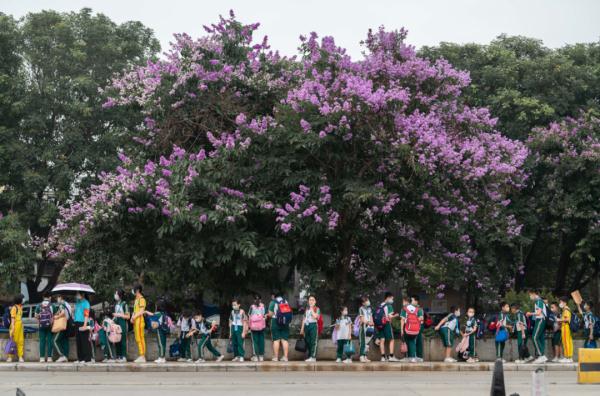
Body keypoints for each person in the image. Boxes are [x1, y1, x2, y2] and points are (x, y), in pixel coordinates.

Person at [526, 289, 547, 363]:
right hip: (539, 320)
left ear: (534, 293)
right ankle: (541, 356)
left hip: (540, 320)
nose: (530, 296)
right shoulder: (538, 301)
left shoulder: (539, 301)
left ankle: (541, 356)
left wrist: (530, 313)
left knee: (534, 337)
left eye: (530, 295)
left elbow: (538, 313)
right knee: (538, 338)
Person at [377, 292, 400, 362]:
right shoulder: (389, 306)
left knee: (382, 340)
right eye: (392, 298)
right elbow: (390, 317)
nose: (392, 300)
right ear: (388, 298)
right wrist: (396, 315)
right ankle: (391, 356)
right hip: (386, 324)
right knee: (392, 339)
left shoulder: (381, 305)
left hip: (379, 325)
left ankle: (383, 357)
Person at [267, 293, 290, 362]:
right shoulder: (286, 301)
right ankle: (285, 357)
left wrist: (267, 315)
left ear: (274, 296)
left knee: (276, 340)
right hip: (285, 322)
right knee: (284, 340)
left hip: (275, 322)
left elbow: (270, 314)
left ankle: (276, 357)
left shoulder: (273, 302)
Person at [35, 293, 56, 362]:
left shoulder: (39, 305)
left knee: (42, 341)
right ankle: (49, 357)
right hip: (50, 326)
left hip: (41, 326)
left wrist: (39, 323)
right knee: (50, 341)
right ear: (50, 297)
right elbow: (54, 316)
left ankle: (42, 358)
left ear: (43, 297)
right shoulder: (52, 305)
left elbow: (36, 316)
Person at [300, 295, 320, 362]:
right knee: (307, 341)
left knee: (313, 341)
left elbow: (315, 317)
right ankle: (310, 355)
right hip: (306, 326)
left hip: (313, 325)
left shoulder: (317, 309)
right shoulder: (307, 309)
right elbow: (304, 319)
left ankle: (313, 356)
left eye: (312, 300)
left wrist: (311, 309)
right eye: (310, 300)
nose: (311, 301)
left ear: (315, 301)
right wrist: (302, 329)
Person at [148, 299, 169, 364]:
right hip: (164, 330)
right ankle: (163, 357)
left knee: (160, 344)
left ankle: (161, 357)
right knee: (163, 344)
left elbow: (152, 315)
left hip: (159, 330)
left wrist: (145, 312)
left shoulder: (157, 313)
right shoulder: (164, 313)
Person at [112, 289, 130, 363]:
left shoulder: (124, 304)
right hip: (117, 322)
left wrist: (119, 315)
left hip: (123, 323)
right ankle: (119, 356)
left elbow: (128, 316)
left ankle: (124, 356)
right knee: (117, 339)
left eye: (116, 293)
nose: (115, 295)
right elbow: (116, 315)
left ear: (119, 295)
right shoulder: (116, 304)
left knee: (123, 339)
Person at [130, 284, 147, 363]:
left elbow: (141, 311)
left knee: (140, 338)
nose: (132, 291)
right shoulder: (136, 299)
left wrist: (134, 317)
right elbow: (135, 311)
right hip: (136, 321)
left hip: (140, 321)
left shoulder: (141, 299)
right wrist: (132, 317)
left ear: (137, 290)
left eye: (133, 289)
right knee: (137, 338)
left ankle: (142, 356)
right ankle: (141, 355)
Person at [74, 292, 92, 363]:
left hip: (83, 322)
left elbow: (86, 315)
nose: (76, 295)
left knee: (84, 341)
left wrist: (85, 324)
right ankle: (80, 358)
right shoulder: (77, 302)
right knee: (78, 341)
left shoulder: (86, 303)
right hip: (77, 322)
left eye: (78, 294)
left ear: (82, 295)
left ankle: (87, 358)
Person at [53, 294, 71, 362]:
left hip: (62, 324)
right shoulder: (67, 304)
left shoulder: (62, 304)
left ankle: (62, 356)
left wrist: (57, 317)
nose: (57, 299)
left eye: (57, 297)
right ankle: (66, 356)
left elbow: (62, 313)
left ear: (60, 297)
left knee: (55, 340)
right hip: (68, 324)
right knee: (65, 340)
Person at [248, 294, 266, 362]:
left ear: (254, 300)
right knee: (261, 341)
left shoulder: (252, 307)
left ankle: (255, 357)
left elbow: (249, 316)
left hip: (253, 327)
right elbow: (264, 315)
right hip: (261, 326)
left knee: (254, 341)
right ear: (260, 300)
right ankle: (261, 357)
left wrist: (249, 326)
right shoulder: (263, 306)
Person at [7, 293, 25, 363]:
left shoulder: (20, 307)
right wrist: (13, 328)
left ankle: (20, 356)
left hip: (20, 325)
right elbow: (12, 318)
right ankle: (10, 357)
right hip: (15, 326)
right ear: (19, 299)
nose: (24, 300)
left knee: (20, 341)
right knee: (13, 341)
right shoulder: (14, 308)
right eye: (23, 298)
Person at [557, 296, 573, 363]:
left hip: (566, 327)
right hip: (564, 327)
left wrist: (559, 319)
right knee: (566, 342)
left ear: (565, 302)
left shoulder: (566, 310)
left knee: (566, 342)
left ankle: (568, 357)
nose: (560, 303)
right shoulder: (565, 309)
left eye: (560, 302)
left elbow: (567, 319)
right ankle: (567, 356)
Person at [358, 296, 374, 363]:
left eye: (368, 300)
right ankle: (361, 356)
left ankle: (365, 356)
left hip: (369, 327)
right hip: (363, 327)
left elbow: (371, 317)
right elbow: (362, 319)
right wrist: (367, 322)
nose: (368, 302)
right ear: (363, 303)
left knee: (367, 342)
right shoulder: (361, 309)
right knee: (363, 342)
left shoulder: (369, 309)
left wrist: (372, 322)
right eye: (366, 301)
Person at [410, 295, 425, 362]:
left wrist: (413, 319)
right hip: (416, 326)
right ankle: (418, 357)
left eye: (412, 300)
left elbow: (421, 318)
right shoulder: (414, 308)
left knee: (415, 341)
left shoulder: (419, 309)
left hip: (417, 326)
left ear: (416, 301)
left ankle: (416, 356)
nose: (411, 302)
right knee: (417, 341)